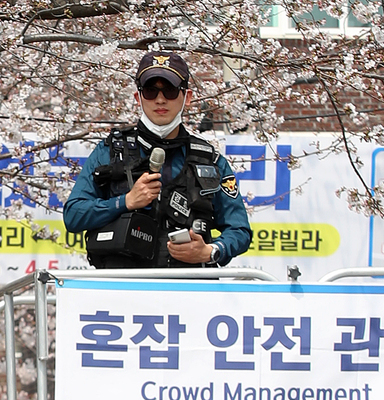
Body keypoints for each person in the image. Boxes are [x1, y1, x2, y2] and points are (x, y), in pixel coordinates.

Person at [62, 46, 252, 270]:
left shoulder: (209, 159)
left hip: (189, 290)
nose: (160, 100)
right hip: (121, 290)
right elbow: (74, 215)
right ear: (138, 97)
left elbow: (239, 230)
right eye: (151, 91)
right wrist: (125, 202)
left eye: (170, 90)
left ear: (187, 97)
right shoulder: (110, 151)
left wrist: (210, 251)